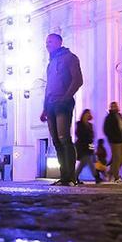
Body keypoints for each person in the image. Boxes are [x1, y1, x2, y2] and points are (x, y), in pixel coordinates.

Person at [40, 33, 83, 186]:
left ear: (59, 42)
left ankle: (71, 177)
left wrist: (65, 97)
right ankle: (64, 176)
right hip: (50, 104)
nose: (47, 44)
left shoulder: (70, 57)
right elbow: (47, 87)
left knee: (64, 139)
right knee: (56, 141)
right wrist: (44, 108)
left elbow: (78, 80)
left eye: (50, 41)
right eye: (46, 42)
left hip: (63, 103)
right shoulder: (50, 63)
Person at [102, 101, 122, 183]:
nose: (114, 107)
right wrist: (112, 137)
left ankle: (110, 172)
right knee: (117, 158)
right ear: (110, 107)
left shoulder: (120, 116)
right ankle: (116, 177)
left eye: (115, 106)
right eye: (112, 106)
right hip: (114, 141)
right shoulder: (109, 117)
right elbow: (106, 129)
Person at [74, 109, 98, 184]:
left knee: (83, 164)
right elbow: (78, 134)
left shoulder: (90, 125)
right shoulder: (79, 124)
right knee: (88, 161)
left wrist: (92, 148)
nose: (88, 115)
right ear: (83, 115)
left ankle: (74, 177)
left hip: (89, 145)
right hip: (81, 146)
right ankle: (96, 176)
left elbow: (92, 137)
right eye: (86, 113)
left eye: (89, 114)